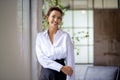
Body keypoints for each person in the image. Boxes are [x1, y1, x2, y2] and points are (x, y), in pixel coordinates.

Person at [36, 6, 75, 80]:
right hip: (46, 74)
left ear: (61, 20)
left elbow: (71, 61)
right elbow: (41, 59)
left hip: (61, 75)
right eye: (53, 16)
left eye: (59, 18)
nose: (56, 20)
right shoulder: (40, 37)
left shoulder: (65, 36)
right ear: (47, 18)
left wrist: (70, 78)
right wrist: (61, 67)